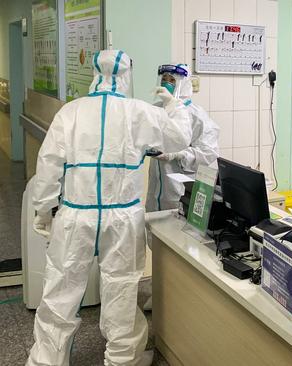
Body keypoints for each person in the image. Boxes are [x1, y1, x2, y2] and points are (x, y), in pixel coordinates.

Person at [28, 50, 192, 366]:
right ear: (127, 74)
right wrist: (175, 102)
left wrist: (43, 208)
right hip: (122, 217)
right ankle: (122, 359)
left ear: (93, 73)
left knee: (60, 289)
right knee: (122, 288)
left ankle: (46, 361)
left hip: (76, 213)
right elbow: (180, 138)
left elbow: (48, 163)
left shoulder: (71, 111)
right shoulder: (140, 112)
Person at [145, 63, 220, 212]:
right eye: (164, 79)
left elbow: (209, 152)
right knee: (154, 226)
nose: (166, 83)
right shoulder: (157, 109)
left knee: (175, 227)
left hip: (181, 188)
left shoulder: (196, 115)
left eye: (171, 80)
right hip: (157, 188)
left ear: (183, 84)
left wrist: (177, 155)